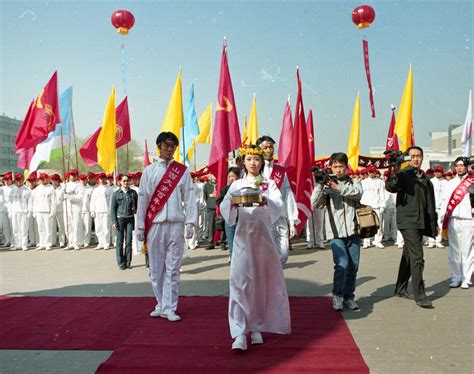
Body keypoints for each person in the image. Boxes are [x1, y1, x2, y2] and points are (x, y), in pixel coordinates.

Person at [220, 145, 291, 351]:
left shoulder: (269, 184)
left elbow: (278, 207)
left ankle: (257, 326)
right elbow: (226, 207)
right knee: (240, 282)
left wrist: (265, 200)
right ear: (243, 161)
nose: (253, 163)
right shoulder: (237, 185)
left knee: (260, 283)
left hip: (263, 238)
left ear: (262, 161)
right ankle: (239, 332)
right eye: (249, 159)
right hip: (243, 238)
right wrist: (232, 206)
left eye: (257, 159)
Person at [136, 132, 197, 322]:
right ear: (159, 147)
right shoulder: (149, 171)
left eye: (173, 146)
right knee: (156, 268)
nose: (169, 150)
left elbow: (190, 198)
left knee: (173, 268)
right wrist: (139, 228)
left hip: (176, 225)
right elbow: (143, 200)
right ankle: (160, 304)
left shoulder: (182, 171)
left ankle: (170, 307)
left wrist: (191, 222)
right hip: (155, 225)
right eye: (166, 146)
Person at [385, 146, 438, 308]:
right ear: (408, 158)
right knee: (418, 258)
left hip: (421, 220)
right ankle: (420, 295)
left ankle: (400, 288)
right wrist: (393, 168)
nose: (416, 159)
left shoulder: (424, 177)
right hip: (408, 221)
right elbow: (392, 186)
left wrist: (433, 223)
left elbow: (430, 202)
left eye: (419, 156)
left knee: (409, 254)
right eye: (412, 156)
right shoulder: (403, 174)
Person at [311, 152, 363, 312]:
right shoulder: (326, 185)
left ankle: (349, 296)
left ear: (346, 167)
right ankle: (337, 295)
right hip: (335, 233)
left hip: (353, 231)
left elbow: (358, 193)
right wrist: (320, 186)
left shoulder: (354, 181)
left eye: (341, 166)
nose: (338, 170)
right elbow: (315, 203)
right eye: (335, 166)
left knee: (353, 266)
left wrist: (338, 188)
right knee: (342, 264)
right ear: (330, 167)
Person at [257, 135, 298, 263]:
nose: (269, 150)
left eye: (271, 147)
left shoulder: (280, 171)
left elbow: (287, 194)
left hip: (279, 218)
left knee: (283, 254)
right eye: (265, 147)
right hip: (262, 216)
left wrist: (292, 221)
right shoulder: (254, 171)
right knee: (263, 254)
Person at [439, 157, 473, 289]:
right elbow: (444, 202)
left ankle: (466, 278)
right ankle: (456, 277)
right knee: (454, 250)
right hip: (453, 220)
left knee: (467, 250)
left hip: (468, 220)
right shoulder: (449, 183)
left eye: (461, 165)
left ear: (466, 167)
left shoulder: (471, 182)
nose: (459, 168)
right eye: (457, 165)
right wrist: (441, 219)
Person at [111, 174, 138, 270]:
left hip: (130, 219)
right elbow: (113, 209)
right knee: (119, 241)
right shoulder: (116, 193)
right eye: (124, 181)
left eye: (127, 181)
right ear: (120, 182)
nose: (126, 183)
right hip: (120, 219)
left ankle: (128, 262)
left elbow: (137, 206)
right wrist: (114, 221)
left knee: (129, 241)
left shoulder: (133, 193)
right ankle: (121, 263)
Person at [216, 167, 240, 263]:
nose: (231, 178)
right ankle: (232, 256)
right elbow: (219, 201)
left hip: (241, 218)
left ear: (238, 177)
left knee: (240, 241)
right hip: (229, 219)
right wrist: (226, 206)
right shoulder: (225, 189)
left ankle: (240, 258)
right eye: (229, 176)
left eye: (233, 176)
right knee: (231, 240)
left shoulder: (242, 188)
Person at [361, 166, 387, 248]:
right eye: (370, 172)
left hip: (377, 205)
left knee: (378, 225)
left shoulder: (380, 182)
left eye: (373, 172)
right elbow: (361, 194)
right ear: (368, 173)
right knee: (366, 224)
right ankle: (366, 241)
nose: (372, 173)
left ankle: (377, 240)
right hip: (366, 205)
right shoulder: (363, 182)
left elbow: (382, 194)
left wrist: (383, 205)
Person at [30, 173, 56, 251]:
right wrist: (34, 211)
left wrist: (53, 211)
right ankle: (42, 243)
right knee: (40, 229)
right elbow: (34, 201)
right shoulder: (37, 189)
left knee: (48, 229)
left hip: (47, 211)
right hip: (39, 211)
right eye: (41, 179)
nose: (42, 180)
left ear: (47, 179)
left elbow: (54, 202)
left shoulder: (51, 188)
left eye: (44, 178)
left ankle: (48, 244)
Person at [8, 174, 31, 251]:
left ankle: (24, 245)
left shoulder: (27, 190)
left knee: (23, 229)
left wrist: (29, 212)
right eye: (17, 180)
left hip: (24, 212)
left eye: (20, 180)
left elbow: (30, 202)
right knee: (15, 229)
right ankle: (17, 244)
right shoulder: (13, 190)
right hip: (15, 211)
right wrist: (10, 212)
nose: (18, 181)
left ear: (23, 180)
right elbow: (10, 202)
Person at [90, 173, 113, 250]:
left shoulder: (109, 189)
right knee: (98, 228)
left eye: (103, 178)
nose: (102, 180)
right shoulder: (96, 190)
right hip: (98, 211)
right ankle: (101, 242)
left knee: (106, 227)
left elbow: (111, 201)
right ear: (98, 179)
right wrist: (92, 210)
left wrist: (110, 210)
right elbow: (93, 201)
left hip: (106, 211)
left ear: (105, 179)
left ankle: (106, 243)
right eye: (100, 178)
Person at [63, 169, 84, 250]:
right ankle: (70, 242)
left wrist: (70, 197)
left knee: (76, 225)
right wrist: (63, 194)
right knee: (68, 226)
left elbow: (80, 197)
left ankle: (76, 242)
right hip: (67, 208)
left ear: (77, 176)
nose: (72, 176)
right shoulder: (66, 185)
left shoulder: (79, 185)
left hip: (76, 208)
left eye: (74, 175)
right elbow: (60, 196)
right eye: (71, 175)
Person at [428, 165, 446, 248]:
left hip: (441, 206)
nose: (437, 173)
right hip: (432, 206)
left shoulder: (445, 182)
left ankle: (438, 240)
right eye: (436, 171)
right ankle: (431, 241)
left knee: (440, 224)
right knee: (431, 223)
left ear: (442, 172)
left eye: (439, 171)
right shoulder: (430, 181)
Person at [203, 175, 218, 249]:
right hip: (211, 207)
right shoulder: (207, 185)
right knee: (211, 225)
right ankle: (210, 242)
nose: (214, 177)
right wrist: (209, 203)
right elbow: (205, 196)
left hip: (219, 206)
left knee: (219, 224)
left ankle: (221, 241)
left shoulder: (220, 183)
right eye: (212, 176)